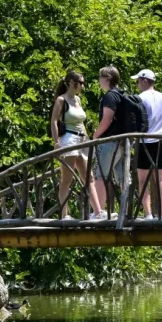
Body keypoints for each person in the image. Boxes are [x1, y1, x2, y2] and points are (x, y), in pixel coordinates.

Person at [50, 71, 104, 220]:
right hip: (69, 140)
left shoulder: (78, 100)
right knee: (67, 179)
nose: (82, 86)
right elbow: (54, 121)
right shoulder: (62, 100)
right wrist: (56, 143)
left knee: (88, 177)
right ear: (72, 83)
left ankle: (98, 212)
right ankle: (64, 215)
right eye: (81, 83)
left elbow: (81, 122)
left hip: (81, 141)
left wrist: (88, 140)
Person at [132, 69, 162, 220]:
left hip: (144, 142)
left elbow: (135, 123)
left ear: (145, 81)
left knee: (143, 181)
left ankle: (148, 214)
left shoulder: (139, 99)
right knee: (161, 180)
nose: (137, 84)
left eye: (137, 81)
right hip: (160, 142)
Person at [92, 66, 129, 216]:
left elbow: (107, 119)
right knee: (122, 177)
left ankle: (99, 212)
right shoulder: (123, 94)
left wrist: (95, 136)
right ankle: (125, 212)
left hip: (109, 141)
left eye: (100, 77)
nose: (99, 81)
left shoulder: (109, 96)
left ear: (107, 78)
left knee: (100, 176)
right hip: (122, 142)